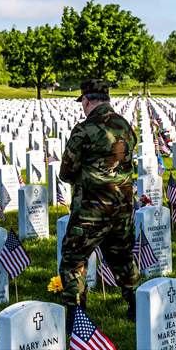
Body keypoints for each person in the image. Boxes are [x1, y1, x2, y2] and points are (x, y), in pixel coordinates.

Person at [59, 79, 139, 327]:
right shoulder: (125, 126)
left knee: (74, 259)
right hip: (122, 207)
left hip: (92, 210)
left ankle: (76, 315)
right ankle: (137, 304)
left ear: (86, 100)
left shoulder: (84, 129)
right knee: (123, 257)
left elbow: (66, 171)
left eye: (82, 102)